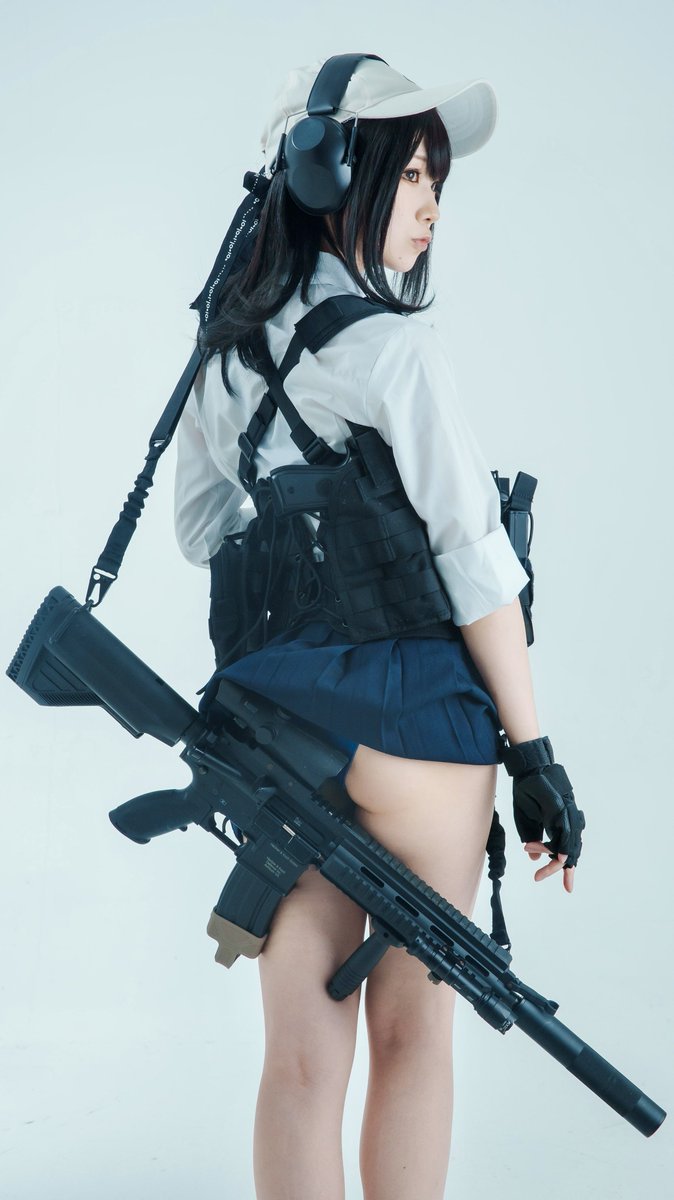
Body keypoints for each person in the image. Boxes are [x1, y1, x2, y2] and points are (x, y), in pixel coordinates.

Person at [174, 54, 579, 1200]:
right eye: (407, 173)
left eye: (434, 177)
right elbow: (476, 568)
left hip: (276, 730)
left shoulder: (223, 351)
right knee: (412, 1039)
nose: (430, 201)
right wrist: (535, 759)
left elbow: (203, 532)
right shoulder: (397, 351)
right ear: (329, 174)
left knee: (301, 1058)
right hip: (417, 735)